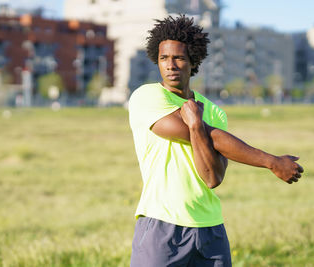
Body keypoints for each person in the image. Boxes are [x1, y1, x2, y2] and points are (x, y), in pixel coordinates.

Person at [128, 15, 304, 267]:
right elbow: (201, 135)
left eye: (178, 57)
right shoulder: (147, 97)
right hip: (161, 226)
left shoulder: (214, 112)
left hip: (210, 230)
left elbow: (212, 178)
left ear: (193, 61)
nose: (170, 65)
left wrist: (197, 123)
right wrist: (271, 162)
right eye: (163, 58)